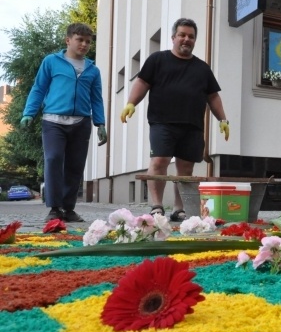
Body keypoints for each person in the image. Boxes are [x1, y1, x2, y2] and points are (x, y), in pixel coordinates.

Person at [120, 18, 230, 221]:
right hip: (162, 122)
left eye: (191, 36)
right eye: (182, 35)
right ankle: (156, 206)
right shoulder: (157, 60)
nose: (186, 39)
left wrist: (223, 120)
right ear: (173, 37)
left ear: (194, 40)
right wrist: (130, 103)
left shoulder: (202, 69)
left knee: (185, 169)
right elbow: (142, 82)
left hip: (192, 126)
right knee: (159, 161)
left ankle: (179, 209)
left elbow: (213, 96)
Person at [21, 23, 107, 222]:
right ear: (68, 40)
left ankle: (68, 209)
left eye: (88, 41)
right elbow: (39, 88)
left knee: (75, 166)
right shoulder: (51, 62)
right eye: (80, 40)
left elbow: (97, 98)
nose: (84, 44)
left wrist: (100, 123)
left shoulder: (93, 70)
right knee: (53, 159)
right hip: (53, 121)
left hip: (81, 122)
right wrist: (29, 112)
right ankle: (54, 208)